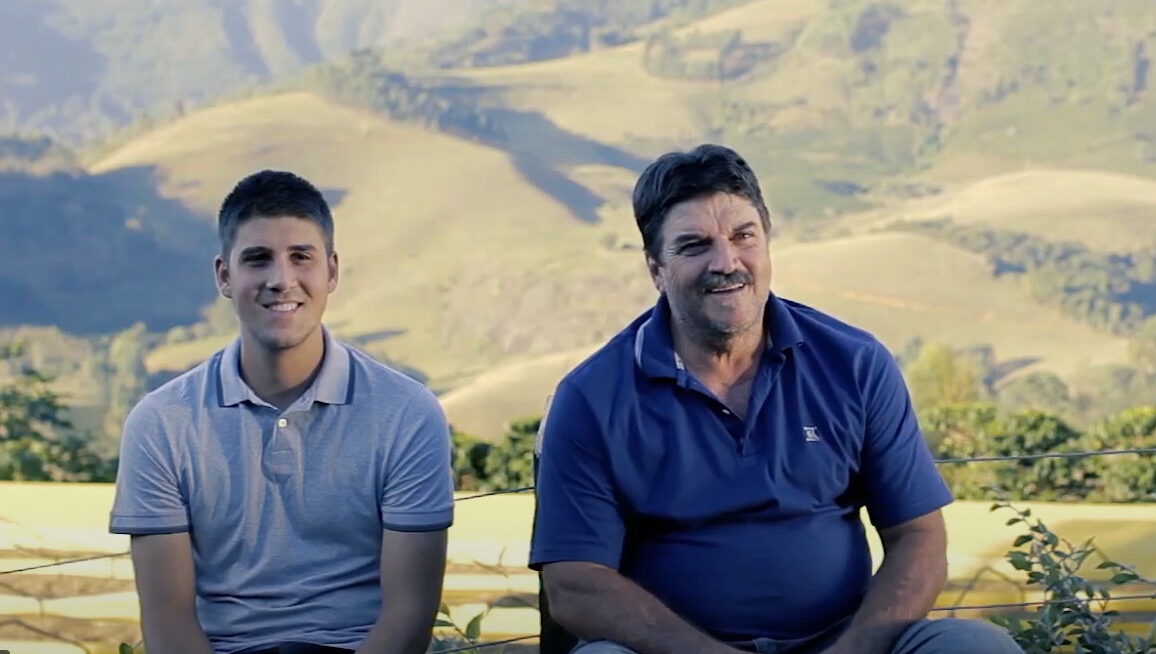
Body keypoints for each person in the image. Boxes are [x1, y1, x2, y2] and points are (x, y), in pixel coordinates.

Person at [529, 144, 1023, 654]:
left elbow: (919, 538)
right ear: (656, 268)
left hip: (845, 644)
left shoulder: (854, 363)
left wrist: (855, 650)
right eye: (695, 245)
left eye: (744, 236)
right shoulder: (591, 397)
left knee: (976, 645)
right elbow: (575, 583)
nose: (727, 262)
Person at [108, 170, 454, 654]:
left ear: (331, 272)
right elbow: (167, 620)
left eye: (301, 257)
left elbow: (409, 615)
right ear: (224, 276)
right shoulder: (160, 423)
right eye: (257, 259)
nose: (281, 279)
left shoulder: (408, 414)